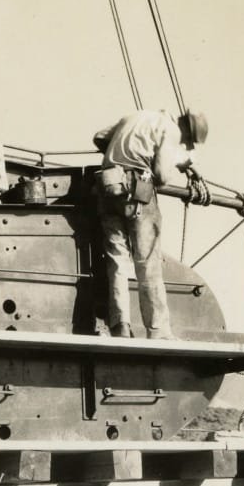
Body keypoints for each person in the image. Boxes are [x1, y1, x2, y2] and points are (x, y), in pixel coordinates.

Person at [90, 108, 207, 338]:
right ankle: (158, 331)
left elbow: (100, 137)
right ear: (186, 128)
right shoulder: (171, 130)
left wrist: (121, 157)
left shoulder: (136, 116)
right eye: (188, 140)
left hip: (108, 187)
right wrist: (177, 162)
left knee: (117, 260)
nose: (184, 143)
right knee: (147, 264)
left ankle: (120, 326)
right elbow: (161, 176)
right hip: (137, 193)